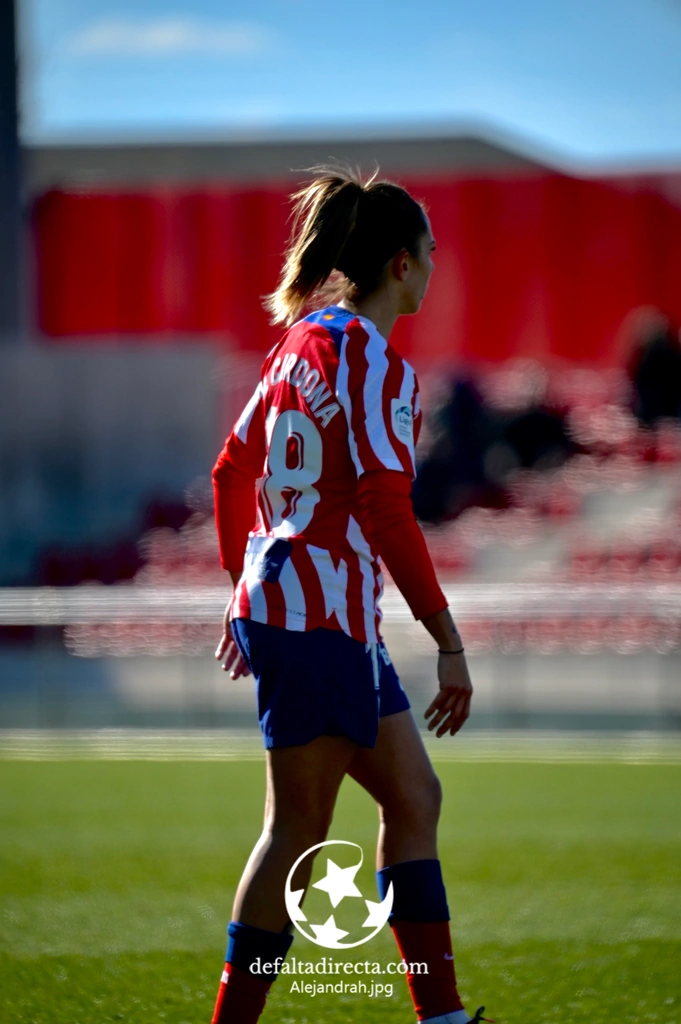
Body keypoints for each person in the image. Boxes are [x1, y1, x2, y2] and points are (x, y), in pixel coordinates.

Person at [211, 167, 490, 1024]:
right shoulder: (372, 359)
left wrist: (244, 587)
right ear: (401, 264)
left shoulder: (297, 343)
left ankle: (440, 1015)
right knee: (295, 831)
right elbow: (382, 504)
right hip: (322, 625)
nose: (436, 269)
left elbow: (231, 471)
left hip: (316, 622)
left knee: (414, 798)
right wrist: (446, 638)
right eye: (432, 255)